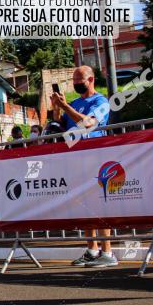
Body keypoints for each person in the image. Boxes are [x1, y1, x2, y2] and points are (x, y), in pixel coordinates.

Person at [51, 65, 116, 268]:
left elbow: (89, 123)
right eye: (74, 81)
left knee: (99, 203)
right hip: (75, 157)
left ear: (91, 80)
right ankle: (92, 249)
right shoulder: (75, 102)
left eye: (80, 81)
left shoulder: (101, 101)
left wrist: (65, 107)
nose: (77, 84)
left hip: (94, 156)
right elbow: (60, 124)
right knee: (85, 205)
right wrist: (56, 106)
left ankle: (108, 252)